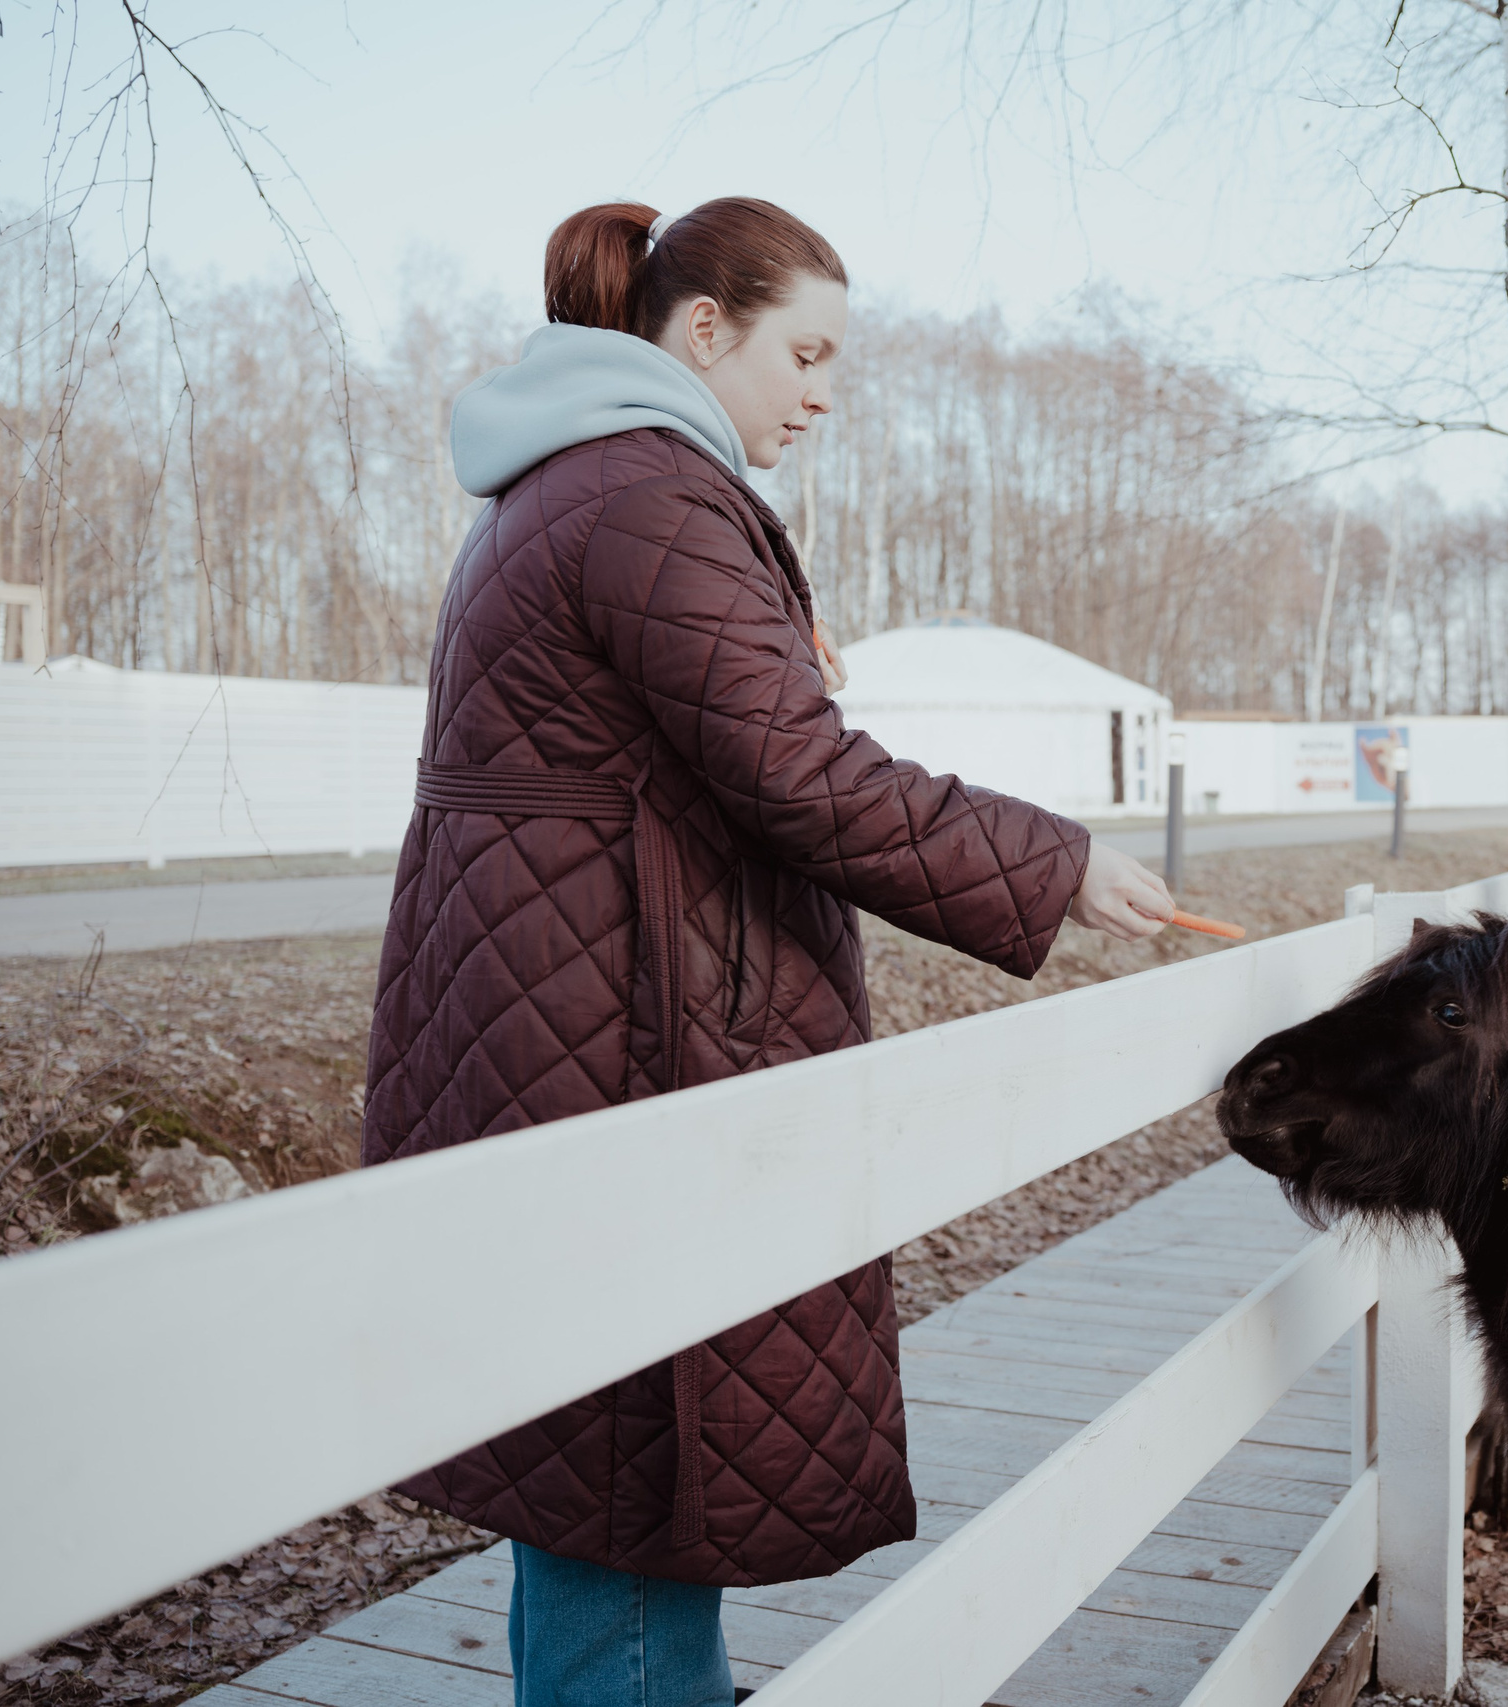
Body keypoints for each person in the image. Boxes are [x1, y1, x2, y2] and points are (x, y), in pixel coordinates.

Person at [360, 196, 1176, 1707]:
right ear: (704, 329)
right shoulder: (646, 494)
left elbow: (687, 749)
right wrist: (1058, 866)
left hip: (562, 1033)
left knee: (618, 1483)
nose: (820, 392)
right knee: (628, 1477)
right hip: (617, 1050)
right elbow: (801, 776)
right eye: (804, 351)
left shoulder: (574, 485)